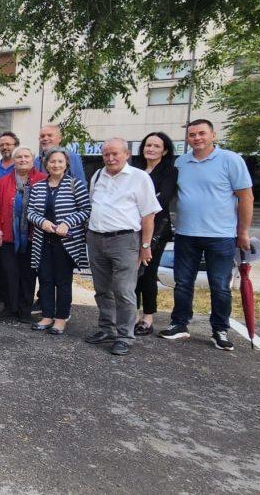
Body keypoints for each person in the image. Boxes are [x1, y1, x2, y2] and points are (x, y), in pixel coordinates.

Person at [160, 119, 253, 351]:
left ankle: (219, 329)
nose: (197, 138)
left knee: (220, 285)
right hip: (186, 233)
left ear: (213, 135)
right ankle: (179, 324)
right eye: (192, 135)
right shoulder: (181, 162)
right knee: (182, 283)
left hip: (221, 236)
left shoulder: (231, 160)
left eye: (202, 133)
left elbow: (246, 197)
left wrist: (243, 232)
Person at [84, 138, 161, 356]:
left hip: (125, 240)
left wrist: (145, 245)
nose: (110, 158)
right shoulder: (98, 175)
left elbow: (148, 215)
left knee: (124, 290)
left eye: (115, 153)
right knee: (102, 289)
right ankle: (107, 328)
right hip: (96, 238)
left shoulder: (140, 178)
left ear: (126, 154)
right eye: (106, 154)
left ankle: (125, 335)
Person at [26, 148, 91, 335]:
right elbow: (30, 212)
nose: (56, 165)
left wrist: (66, 223)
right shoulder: (38, 186)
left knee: (63, 281)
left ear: (66, 164)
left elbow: (86, 210)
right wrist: (43, 222)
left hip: (66, 242)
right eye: (52, 161)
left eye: (60, 162)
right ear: (46, 164)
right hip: (43, 240)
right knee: (45, 279)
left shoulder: (74, 185)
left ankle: (61, 318)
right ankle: (47, 315)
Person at [0, 146, 46, 323]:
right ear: (14, 160)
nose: (22, 160)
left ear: (32, 159)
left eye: (26, 157)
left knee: (28, 274)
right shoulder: (5, 181)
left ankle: (25, 309)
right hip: (8, 236)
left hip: (33, 236)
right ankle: (10, 307)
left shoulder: (43, 179)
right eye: (19, 157)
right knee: (9, 272)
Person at [132, 132, 177, 336]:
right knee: (132, 274)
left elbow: (161, 199)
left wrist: (137, 202)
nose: (151, 149)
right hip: (133, 227)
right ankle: (132, 314)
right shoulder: (134, 170)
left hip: (157, 229)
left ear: (164, 150)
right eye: (148, 145)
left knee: (148, 273)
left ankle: (148, 317)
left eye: (156, 146)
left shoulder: (170, 172)